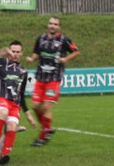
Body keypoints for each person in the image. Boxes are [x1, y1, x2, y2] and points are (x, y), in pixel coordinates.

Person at [26, 16, 80, 146]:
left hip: (54, 78)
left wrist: (66, 59)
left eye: (55, 24)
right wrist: (32, 59)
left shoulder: (64, 40)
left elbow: (76, 51)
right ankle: (48, 128)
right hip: (40, 77)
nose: (52, 26)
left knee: (47, 105)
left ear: (59, 27)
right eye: (50, 23)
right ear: (48, 25)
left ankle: (43, 136)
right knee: (35, 106)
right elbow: (36, 53)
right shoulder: (40, 38)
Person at [0, 40, 29, 164]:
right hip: (0, 98)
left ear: (22, 53)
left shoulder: (23, 72)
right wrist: (0, 52)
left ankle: (5, 154)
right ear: (9, 51)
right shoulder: (1, 62)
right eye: (12, 51)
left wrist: (27, 113)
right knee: (3, 112)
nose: (14, 54)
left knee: (12, 125)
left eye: (17, 52)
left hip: (14, 104)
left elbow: (21, 94)